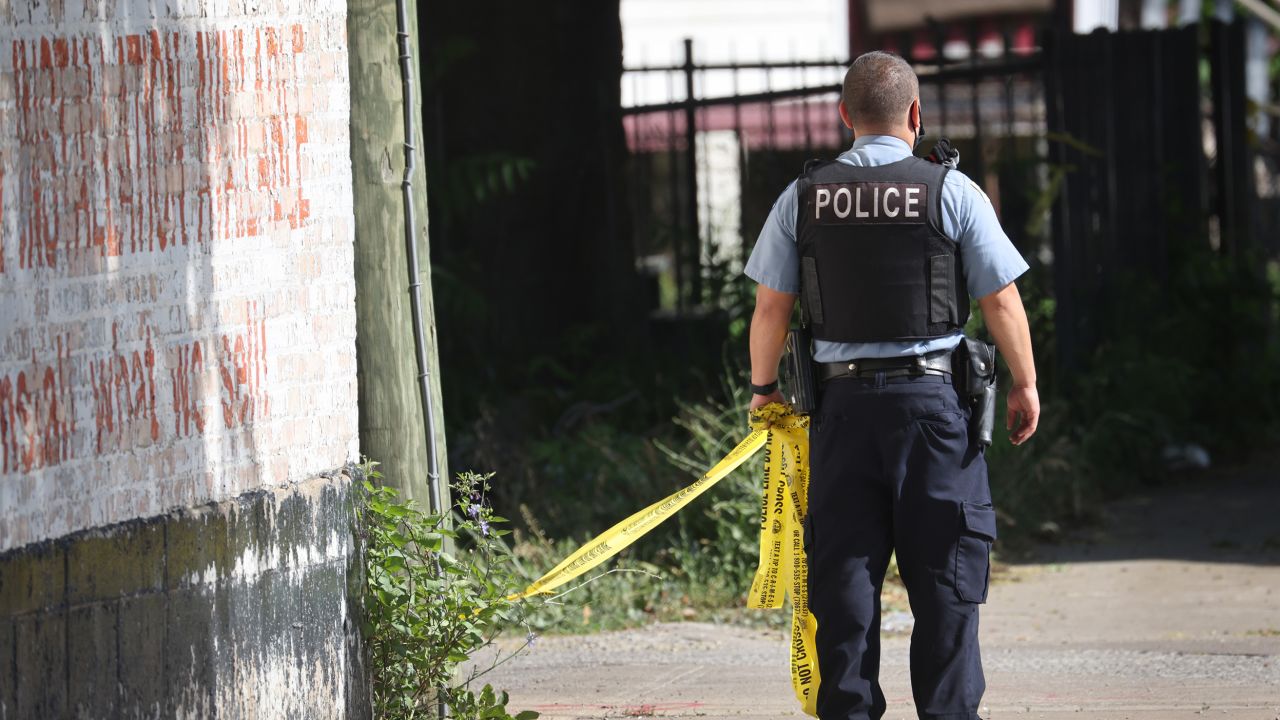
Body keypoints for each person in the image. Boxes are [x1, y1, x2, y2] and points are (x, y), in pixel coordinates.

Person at [744, 51, 1040, 720]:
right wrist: (1025, 383)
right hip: (935, 413)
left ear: (844, 116)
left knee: (844, 584)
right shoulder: (951, 191)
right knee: (947, 589)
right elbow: (1001, 299)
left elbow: (771, 307)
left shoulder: (805, 197)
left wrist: (763, 388)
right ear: (915, 114)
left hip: (842, 414)